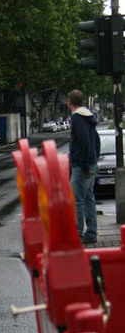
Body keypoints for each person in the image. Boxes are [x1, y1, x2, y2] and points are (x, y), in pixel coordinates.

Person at [68, 89, 100, 244]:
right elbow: (96, 141)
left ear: (69, 102)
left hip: (82, 166)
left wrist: (85, 164)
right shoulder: (89, 117)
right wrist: (94, 159)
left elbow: (85, 141)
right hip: (91, 164)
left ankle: (78, 234)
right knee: (89, 199)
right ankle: (91, 233)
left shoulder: (77, 118)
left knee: (77, 201)